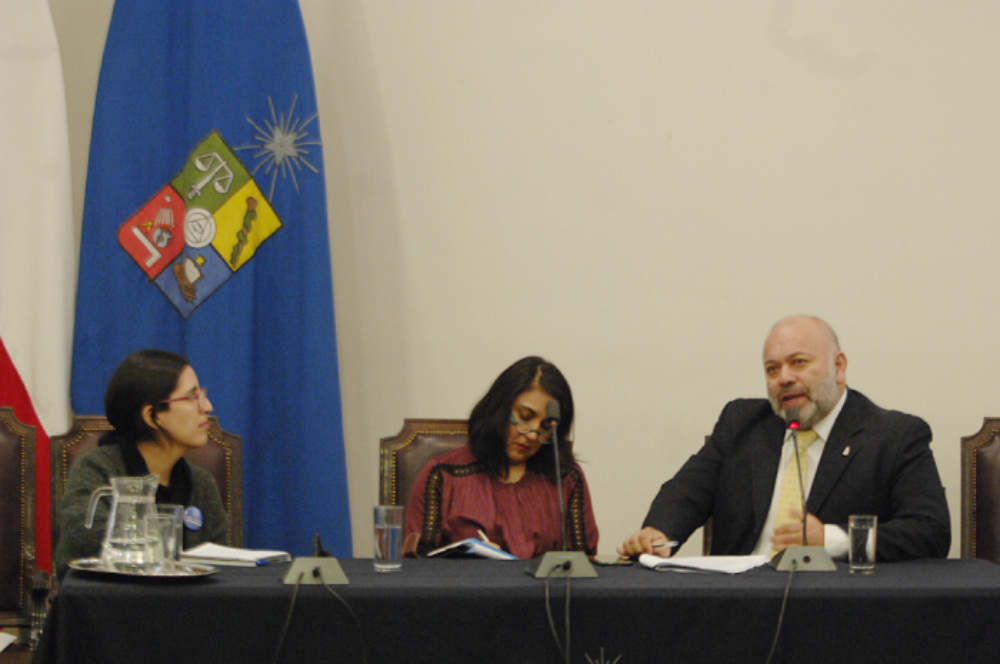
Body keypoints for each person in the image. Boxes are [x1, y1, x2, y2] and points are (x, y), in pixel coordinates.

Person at [618, 315, 950, 562]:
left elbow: (930, 532)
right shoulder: (742, 423)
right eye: (772, 369)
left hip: (838, 611)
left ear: (838, 366)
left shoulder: (894, 436)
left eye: (799, 362)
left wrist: (832, 540)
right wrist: (660, 533)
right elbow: (686, 491)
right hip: (737, 605)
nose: (784, 378)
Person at [53, 349, 230, 575]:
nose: (207, 407)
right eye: (191, 397)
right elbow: (91, 550)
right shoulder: (97, 470)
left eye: (202, 395)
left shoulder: (201, 483)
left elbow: (224, 566)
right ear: (152, 416)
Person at [404, 356, 599, 559]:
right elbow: (417, 563)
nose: (533, 435)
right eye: (525, 416)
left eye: (545, 427)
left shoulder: (566, 477)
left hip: (546, 591)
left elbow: (586, 561)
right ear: (500, 407)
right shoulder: (444, 475)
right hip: (468, 589)